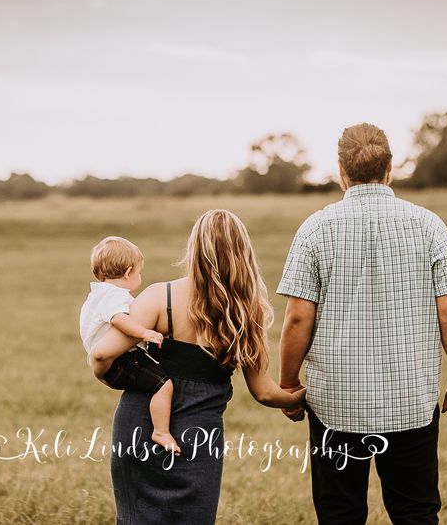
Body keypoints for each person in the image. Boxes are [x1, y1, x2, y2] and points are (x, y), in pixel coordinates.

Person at [277, 123, 447, 525]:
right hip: (412, 403)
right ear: (389, 169)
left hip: (335, 404)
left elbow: (299, 316)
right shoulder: (428, 225)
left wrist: (288, 383)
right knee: (416, 512)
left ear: (341, 171)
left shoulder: (315, 228)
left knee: (339, 513)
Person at [103, 209, 306, 525]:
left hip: (138, 427)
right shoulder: (245, 312)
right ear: (243, 253)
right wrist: (298, 398)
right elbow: (265, 393)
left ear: (193, 249)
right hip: (199, 439)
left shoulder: (160, 296)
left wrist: (102, 372)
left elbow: (104, 356)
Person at [80, 236, 180, 454]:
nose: (140, 277)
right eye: (139, 272)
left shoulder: (97, 295)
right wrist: (144, 332)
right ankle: (161, 431)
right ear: (127, 272)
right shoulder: (115, 296)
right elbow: (118, 319)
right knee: (165, 385)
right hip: (121, 360)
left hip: (109, 363)